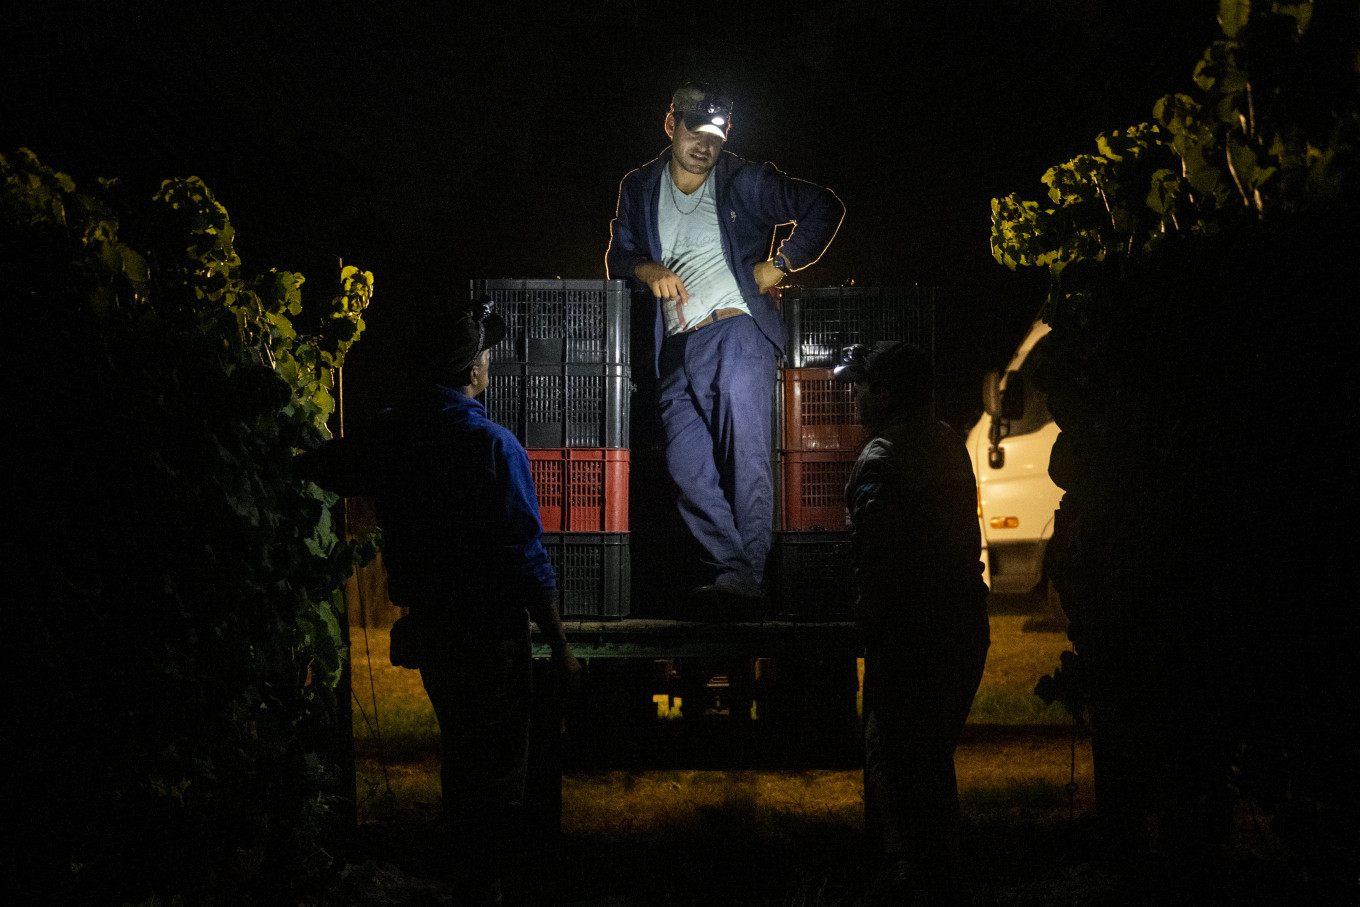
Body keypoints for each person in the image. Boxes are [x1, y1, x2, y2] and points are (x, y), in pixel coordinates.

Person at [298, 298, 580, 906]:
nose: (488, 364)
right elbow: (524, 553)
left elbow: (324, 465)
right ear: (471, 369)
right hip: (490, 632)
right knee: (498, 768)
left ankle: (469, 878)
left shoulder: (392, 433)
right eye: (484, 354)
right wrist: (559, 643)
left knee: (460, 750)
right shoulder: (492, 445)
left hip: (432, 631)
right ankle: (488, 884)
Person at [606, 81, 844, 611]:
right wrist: (646, 268)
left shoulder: (745, 180)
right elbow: (619, 256)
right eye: (695, 132)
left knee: (748, 461)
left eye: (716, 135)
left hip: (736, 335)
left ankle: (747, 580)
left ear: (726, 134)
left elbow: (823, 206)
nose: (705, 146)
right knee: (686, 469)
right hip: (675, 347)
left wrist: (780, 264)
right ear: (671, 125)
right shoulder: (640, 186)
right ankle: (734, 571)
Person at [835, 341, 991, 906]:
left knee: (897, 762)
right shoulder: (948, 442)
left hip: (913, 630)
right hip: (964, 621)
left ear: (885, 394)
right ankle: (942, 874)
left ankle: (911, 881)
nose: (852, 396)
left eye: (861, 386)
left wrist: (867, 615)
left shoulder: (881, 454)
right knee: (931, 764)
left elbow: (881, 552)